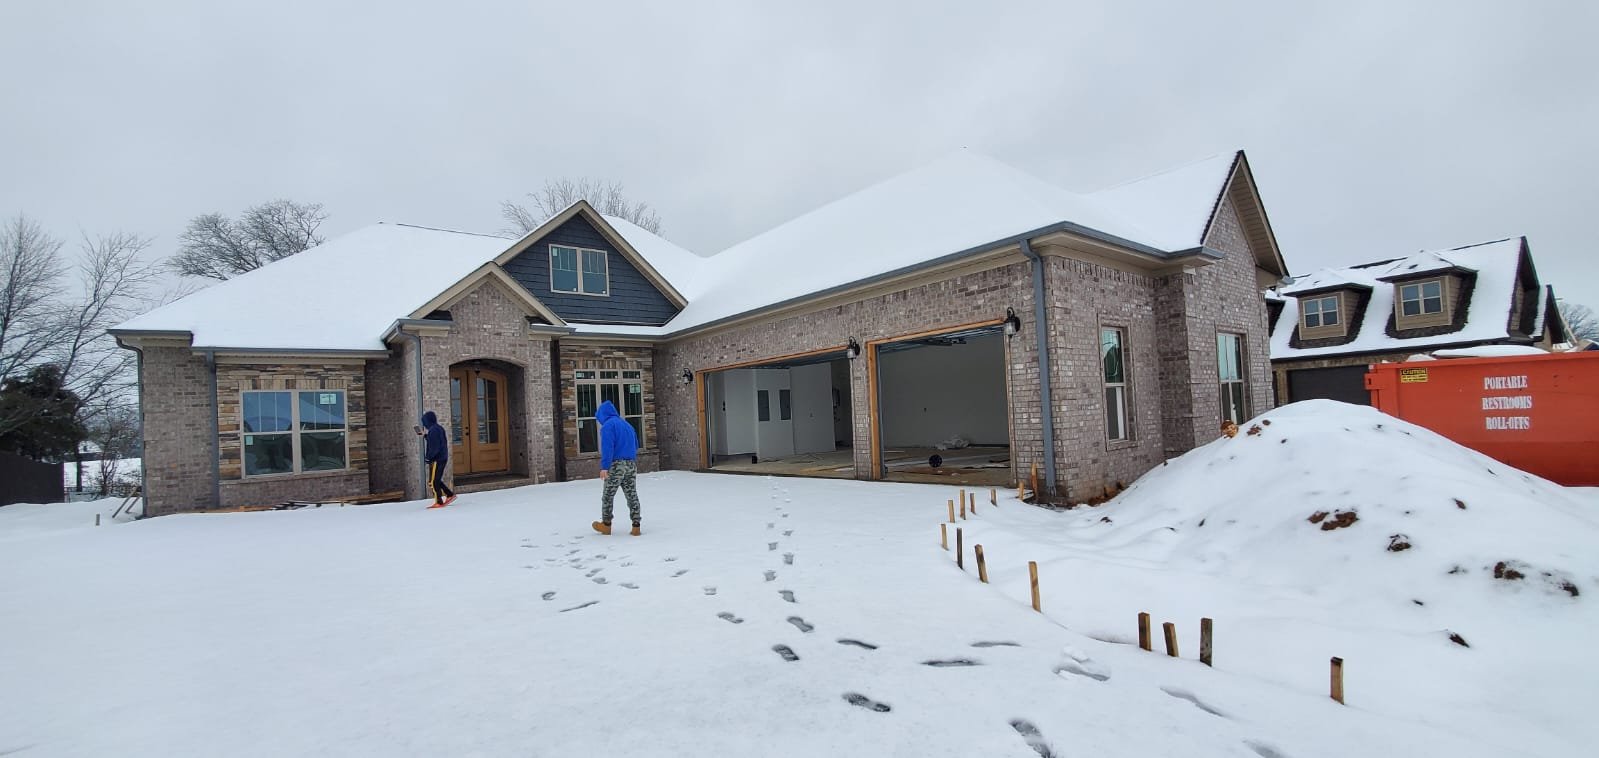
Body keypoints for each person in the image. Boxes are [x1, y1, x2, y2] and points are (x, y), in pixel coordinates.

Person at [591, 399, 642, 535]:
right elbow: (636, 445)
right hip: (631, 464)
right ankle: (636, 526)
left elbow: (608, 448)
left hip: (616, 465)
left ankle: (606, 525)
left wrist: (605, 467)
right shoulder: (627, 425)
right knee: (632, 494)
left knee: (608, 495)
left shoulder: (608, 426)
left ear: (603, 415)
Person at [417, 410, 456, 509]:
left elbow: (434, 447)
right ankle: (449, 494)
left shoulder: (433, 430)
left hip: (437, 459)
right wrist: (425, 436)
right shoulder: (438, 428)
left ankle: (439, 501)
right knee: (436, 480)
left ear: (427, 421)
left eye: (424, 422)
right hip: (442, 457)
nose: (424, 425)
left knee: (433, 481)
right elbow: (436, 441)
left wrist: (428, 458)